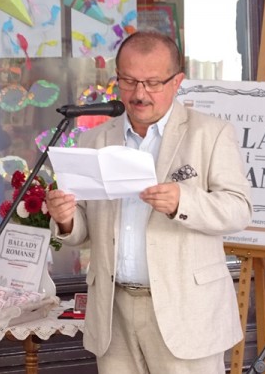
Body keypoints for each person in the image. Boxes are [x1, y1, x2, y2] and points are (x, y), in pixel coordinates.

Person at [45, 31, 253, 374]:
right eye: (128, 81)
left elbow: (238, 210)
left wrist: (181, 202)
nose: (139, 94)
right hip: (114, 311)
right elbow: (83, 228)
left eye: (153, 83)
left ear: (177, 82)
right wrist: (66, 219)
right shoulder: (94, 138)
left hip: (186, 313)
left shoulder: (210, 133)